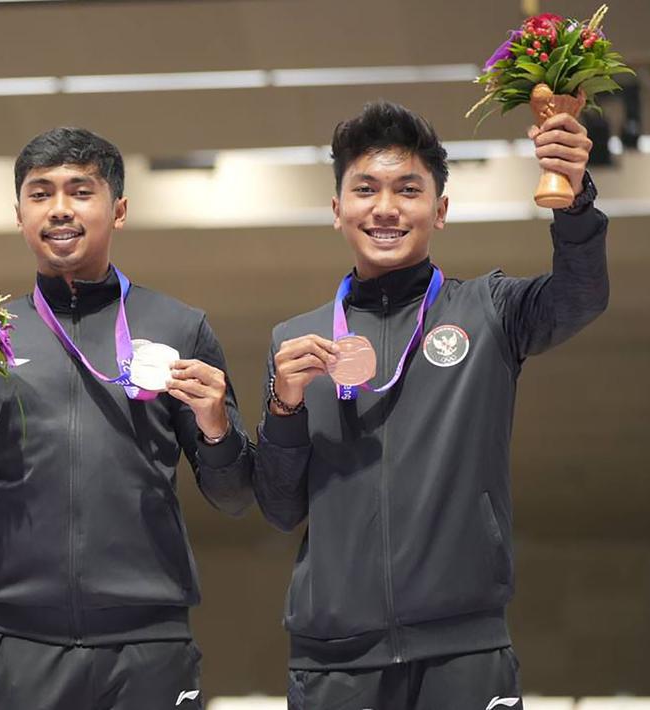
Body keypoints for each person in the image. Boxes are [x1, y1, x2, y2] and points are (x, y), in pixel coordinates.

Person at [254, 101, 607, 709]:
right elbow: (282, 508)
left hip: (464, 653)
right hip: (335, 662)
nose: (385, 207)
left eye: (408, 189)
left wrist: (574, 200)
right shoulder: (296, 343)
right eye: (365, 188)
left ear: (439, 211)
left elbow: (580, 296)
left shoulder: (491, 311)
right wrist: (283, 407)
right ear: (337, 210)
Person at [0, 127, 256, 710]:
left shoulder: (180, 327)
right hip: (22, 640)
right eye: (40, 193)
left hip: (151, 639)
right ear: (18, 214)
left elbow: (234, 495)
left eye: (80, 191)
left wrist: (217, 427)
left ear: (118, 209)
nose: (60, 209)